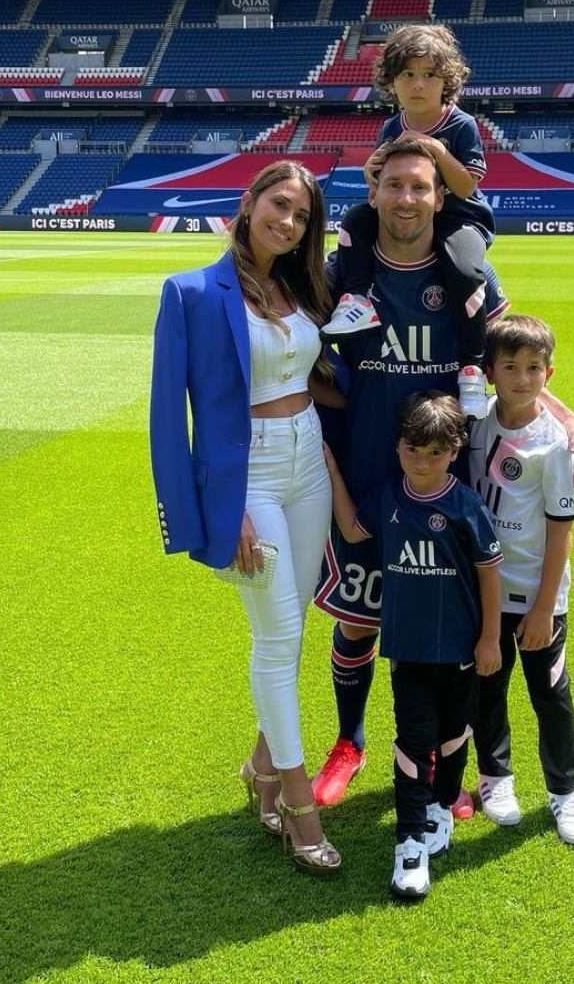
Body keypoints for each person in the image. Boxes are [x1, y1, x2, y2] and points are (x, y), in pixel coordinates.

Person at [312, 138, 574, 815]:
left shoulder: (467, 272)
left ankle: (444, 763)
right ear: (374, 192)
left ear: (441, 197)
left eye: (421, 188)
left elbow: (514, 361)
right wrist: (338, 485)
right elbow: (303, 383)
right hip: (366, 470)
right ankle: (350, 742)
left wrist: (559, 405)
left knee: (454, 629)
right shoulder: (340, 271)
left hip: (449, 483)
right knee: (358, 619)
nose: (407, 199)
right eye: (395, 186)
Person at [150, 160, 343, 876]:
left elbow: (318, 376)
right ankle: (297, 802)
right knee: (278, 633)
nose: (287, 222)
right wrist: (211, 510)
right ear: (249, 200)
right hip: (249, 475)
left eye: (300, 215)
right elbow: (171, 420)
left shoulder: (299, 285)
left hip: (307, 459)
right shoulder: (191, 292)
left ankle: (261, 765)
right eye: (278, 205)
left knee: (291, 632)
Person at [325, 392, 504, 899]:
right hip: (409, 654)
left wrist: (490, 638)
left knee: (453, 736)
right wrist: (331, 468)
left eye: (434, 453)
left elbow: (491, 573)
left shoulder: (465, 507)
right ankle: (409, 844)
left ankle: (442, 806)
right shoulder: (388, 498)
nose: (421, 462)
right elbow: (353, 529)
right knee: (412, 741)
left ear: (453, 451)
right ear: (398, 446)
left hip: (462, 652)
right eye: (411, 449)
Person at [320, 23, 494, 420]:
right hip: (413, 214)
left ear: (447, 80)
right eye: (408, 75)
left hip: (460, 219)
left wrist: (436, 151)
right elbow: (382, 178)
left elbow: (466, 187)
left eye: (430, 75)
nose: (418, 85)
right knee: (356, 221)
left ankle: (470, 368)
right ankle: (357, 299)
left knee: (465, 271)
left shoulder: (460, 125)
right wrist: (371, 172)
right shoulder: (392, 126)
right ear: (392, 82)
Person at [469, 314, 574, 845]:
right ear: (490, 373)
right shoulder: (474, 423)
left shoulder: (554, 442)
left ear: (550, 373)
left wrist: (545, 608)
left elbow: (561, 530)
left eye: (534, 368)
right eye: (511, 367)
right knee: (487, 687)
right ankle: (496, 779)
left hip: (538, 596)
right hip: (483, 594)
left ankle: (565, 793)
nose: (523, 378)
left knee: (550, 694)